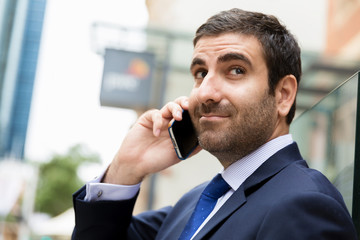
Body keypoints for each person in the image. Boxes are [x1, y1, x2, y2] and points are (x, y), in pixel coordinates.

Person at [72, 8, 358, 240]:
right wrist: (126, 167)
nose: (205, 92)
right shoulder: (194, 203)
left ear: (283, 95)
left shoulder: (304, 205)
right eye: (200, 72)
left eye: (235, 70)